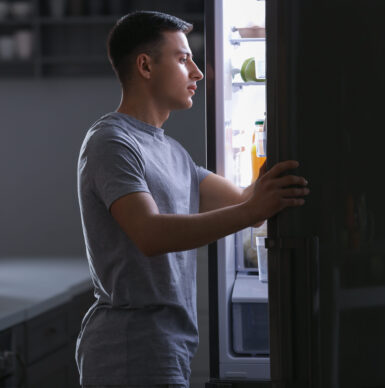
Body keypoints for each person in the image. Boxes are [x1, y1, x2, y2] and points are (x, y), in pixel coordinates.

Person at [76, 11, 309, 388]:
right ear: (145, 66)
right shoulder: (111, 141)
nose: (198, 73)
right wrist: (252, 208)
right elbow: (150, 234)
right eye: (184, 59)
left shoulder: (174, 153)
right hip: (128, 351)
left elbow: (246, 202)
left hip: (170, 347)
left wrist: (276, 136)